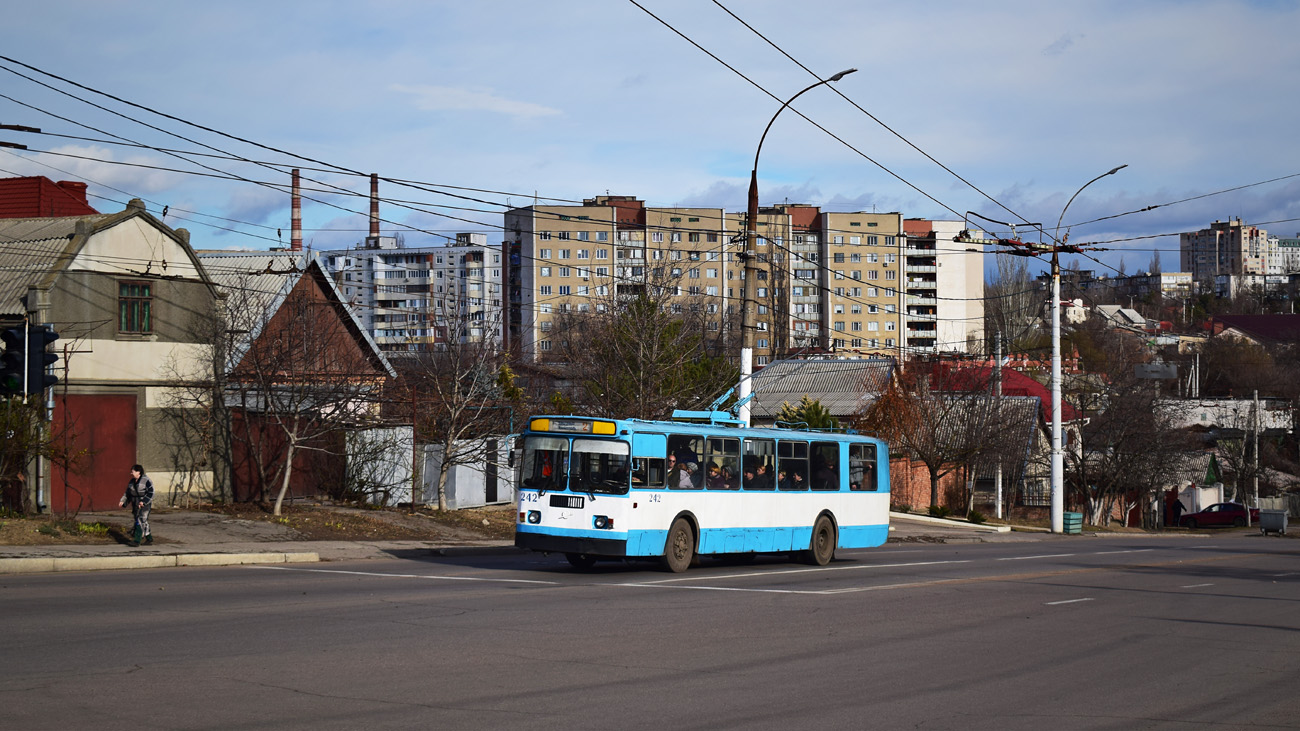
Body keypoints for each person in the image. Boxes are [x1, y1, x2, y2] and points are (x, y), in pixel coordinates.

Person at [119, 464, 154, 547]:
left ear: (138, 472)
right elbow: (128, 493)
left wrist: (144, 501)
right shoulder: (132, 482)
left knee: (140, 520)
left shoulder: (146, 480)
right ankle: (149, 538)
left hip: (145, 504)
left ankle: (137, 540)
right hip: (135, 503)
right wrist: (123, 501)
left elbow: (151, 492)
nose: (131, 473)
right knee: (141, 521)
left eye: (133, 471)